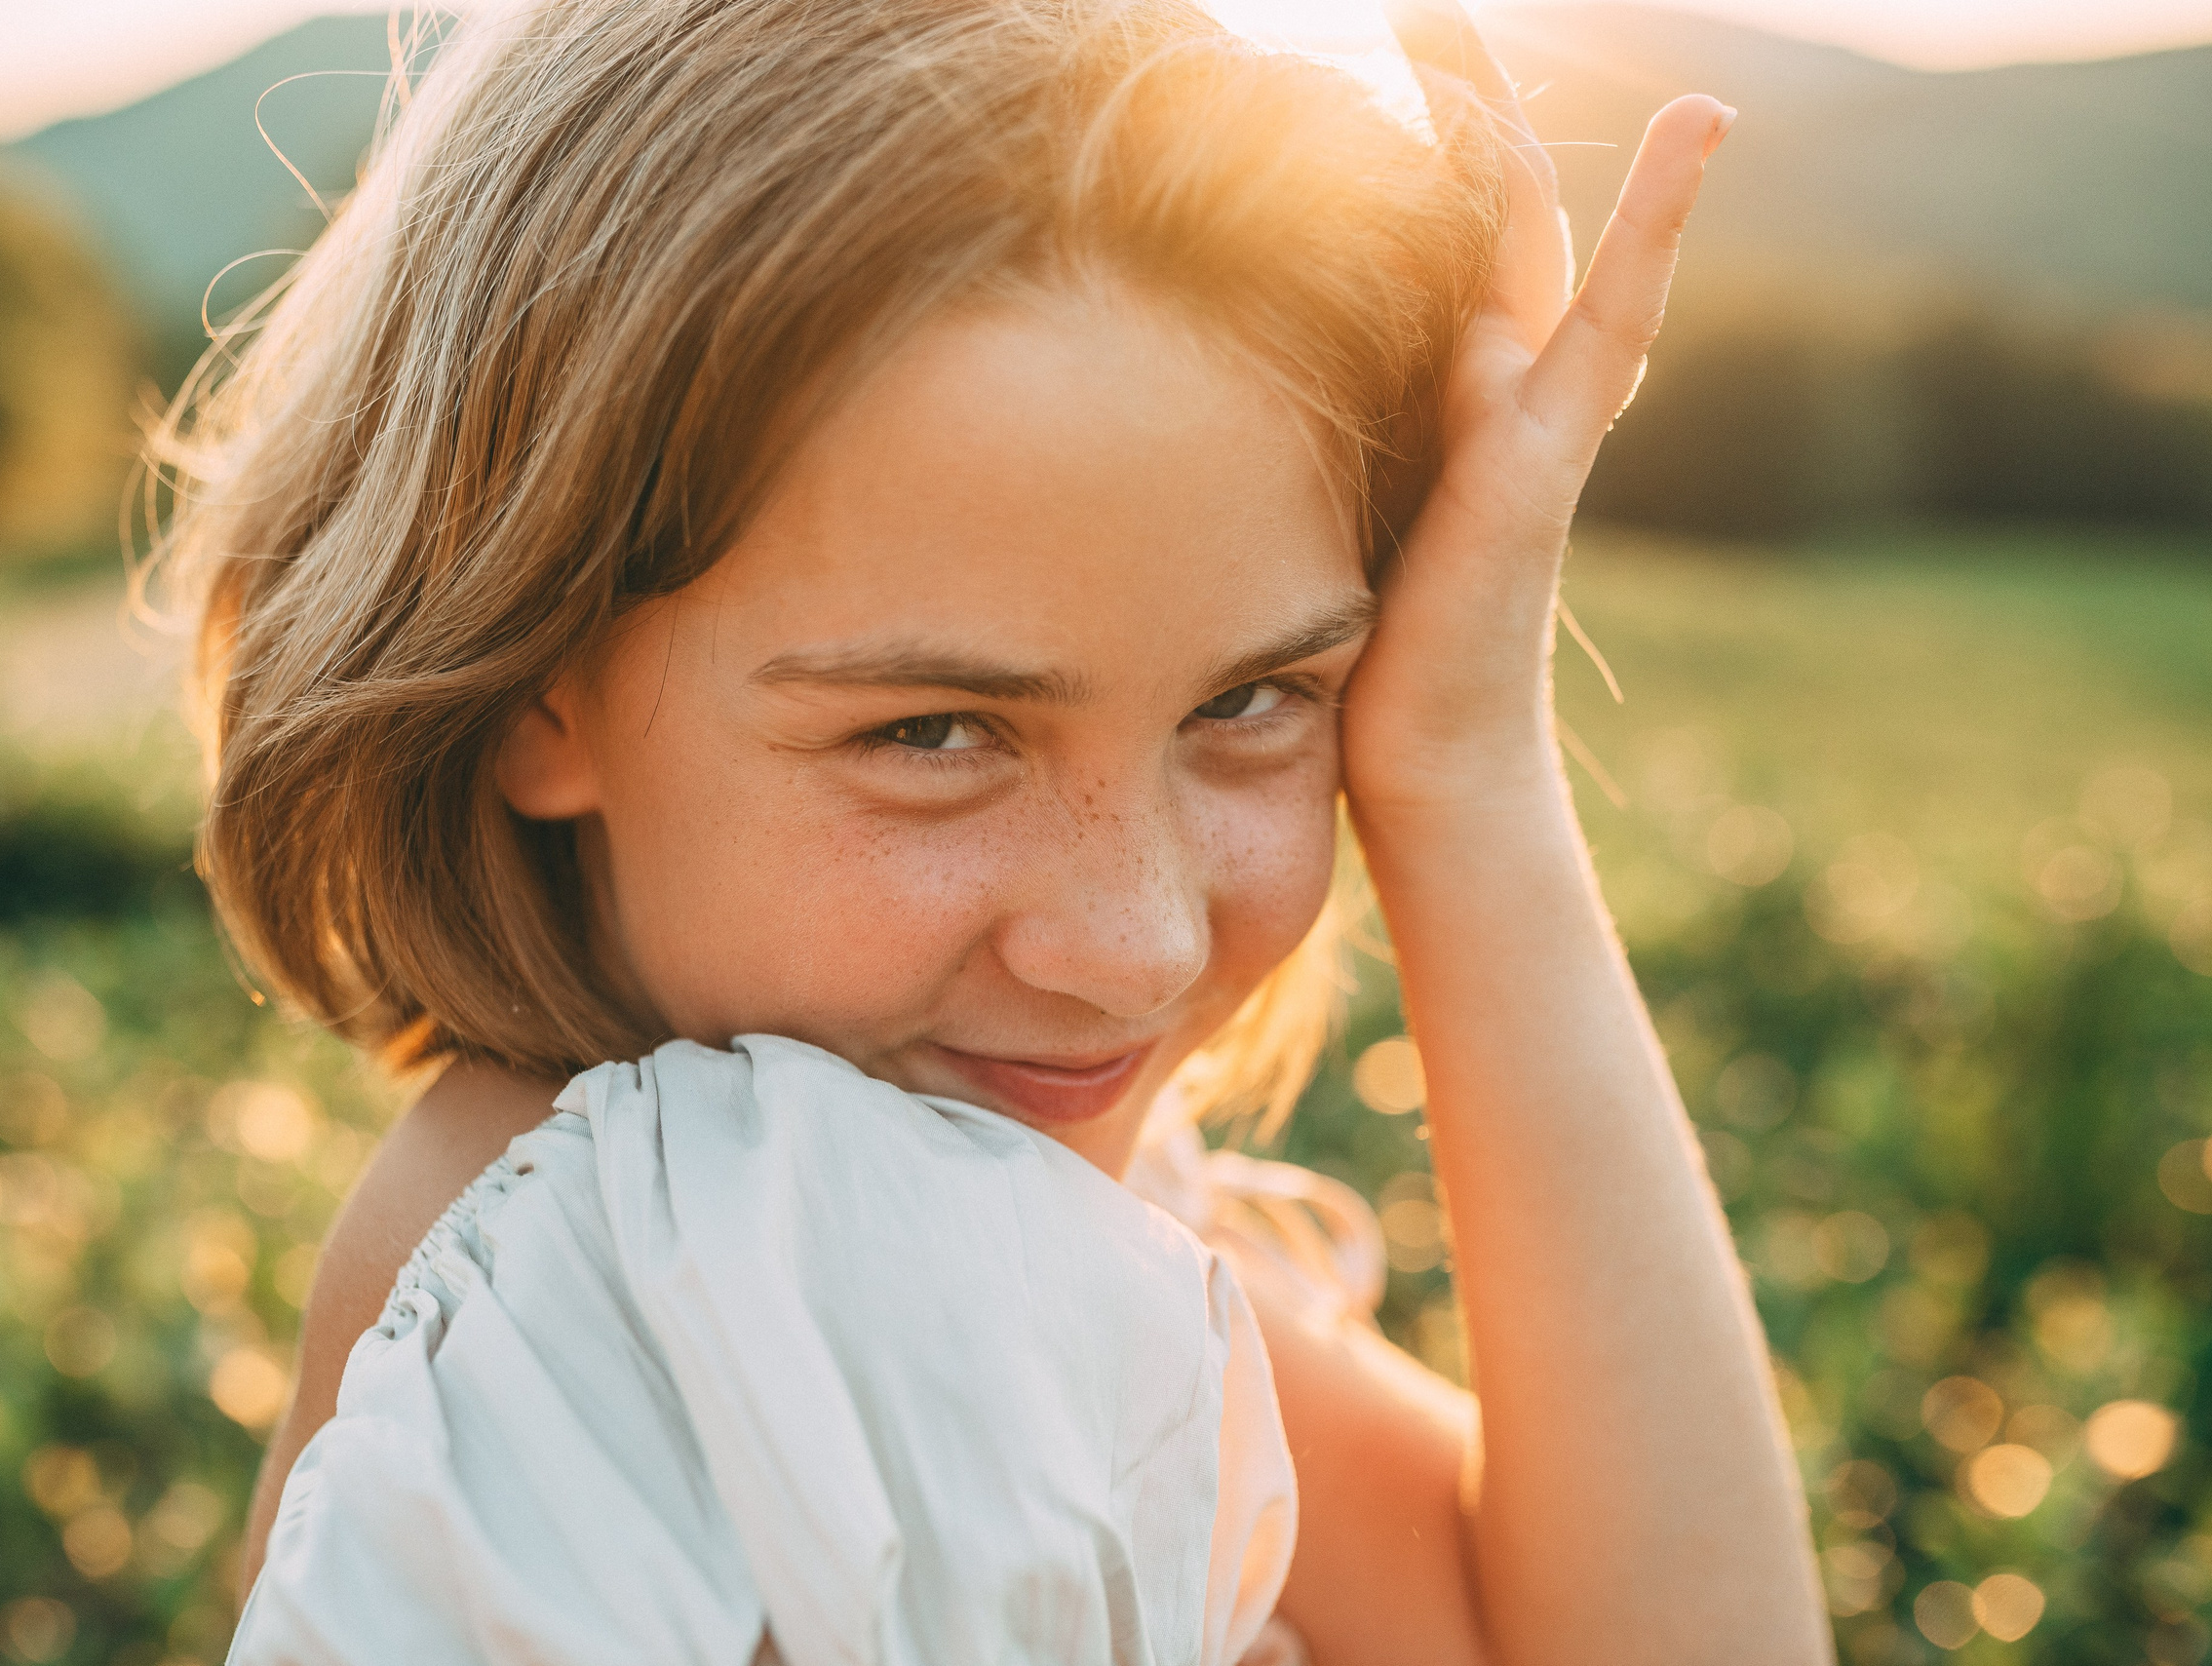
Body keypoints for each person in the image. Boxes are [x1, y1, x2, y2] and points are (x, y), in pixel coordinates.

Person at [149, 0, 1831, 1657]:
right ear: (535, 690)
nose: (1142, 942)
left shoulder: (890, 1185)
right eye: (936, 733)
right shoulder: (654, 1257)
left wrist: (1463, 753)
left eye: (1248, 701)